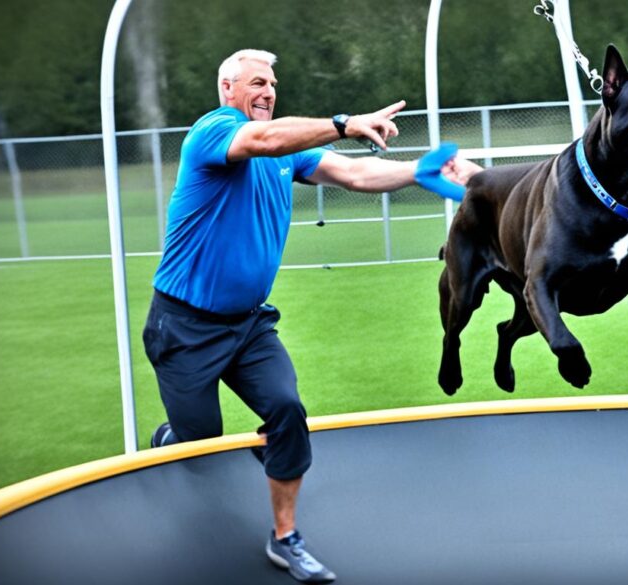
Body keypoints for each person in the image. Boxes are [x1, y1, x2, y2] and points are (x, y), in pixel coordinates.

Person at [143, 48, 481, 584]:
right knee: (200, 450)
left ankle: (285, 537)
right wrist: (344, 122)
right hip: (183, 326)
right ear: (227, 89)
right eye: (256, 82)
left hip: (249, 326)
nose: (268, 92)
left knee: (286, 411)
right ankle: (172, 439)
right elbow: (262, 140)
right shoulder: (214, 132)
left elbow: (353, 173)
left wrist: (418, 172)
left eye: (273, 83)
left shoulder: (284, 151)